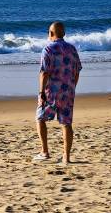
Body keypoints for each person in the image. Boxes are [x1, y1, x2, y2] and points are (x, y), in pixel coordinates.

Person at [33, 21, 82, 165]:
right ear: (64, 34)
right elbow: (77, 70)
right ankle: (66, 158)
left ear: (51, 34)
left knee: (40, 118)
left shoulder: (48, 49)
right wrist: (72, 86)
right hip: (68, 91)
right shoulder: (72, 49)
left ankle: (45, 152)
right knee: (66, 123)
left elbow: (44, 72)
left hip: (51, 91)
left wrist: (41, 92)